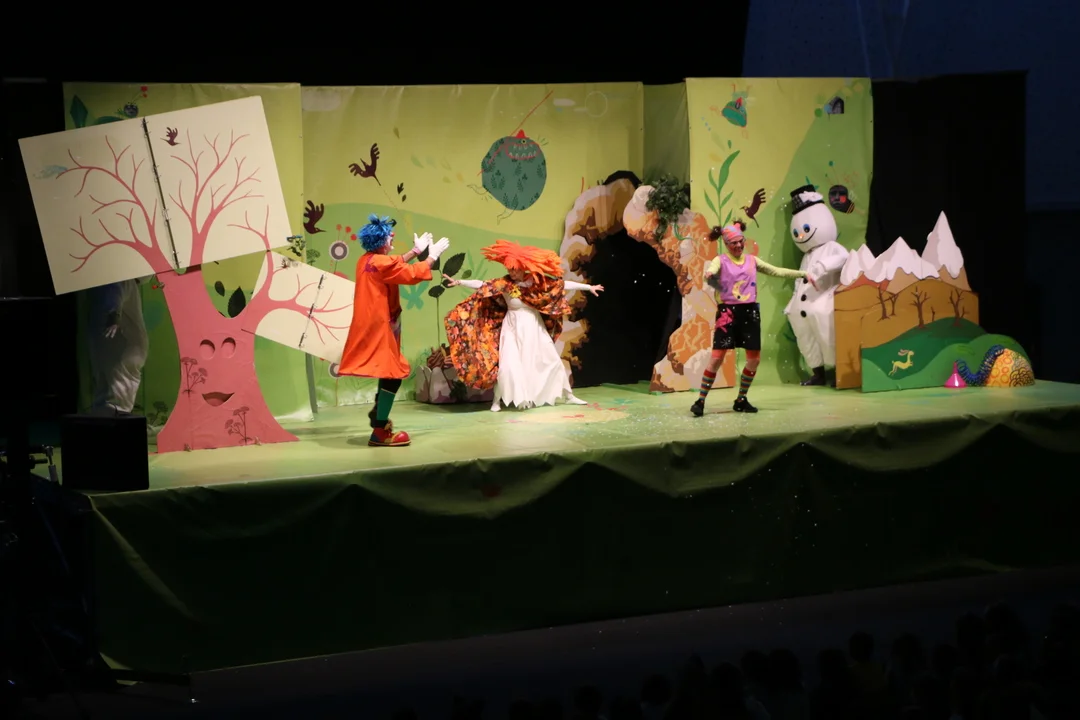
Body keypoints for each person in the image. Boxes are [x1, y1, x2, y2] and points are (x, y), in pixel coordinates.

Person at [444, 239, 603, 412]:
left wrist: (588, 287)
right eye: (509, 269)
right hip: (512, 327)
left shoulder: (536, 283)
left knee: (550, 359)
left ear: (523, 267)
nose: (511, 272)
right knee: (508, 364)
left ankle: (569, 396)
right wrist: (460, 282)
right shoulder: (504, 283)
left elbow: (561, 285)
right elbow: (482, 284)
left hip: (534, 326)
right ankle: (497, 401)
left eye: (514, 269)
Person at [338, 214, 450, 447]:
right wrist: (431, 257)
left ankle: (379, 415)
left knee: (388, 370)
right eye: (389, 238)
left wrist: (414, 252)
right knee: (393, 374)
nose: (392, 240)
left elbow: (393, 264)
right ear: (381, 242)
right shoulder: (380, 263)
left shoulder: (366, 260)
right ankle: (380, 430)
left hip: (376, 324)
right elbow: (409, 273)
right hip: (379, 327)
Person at [692, 221, 806, 417]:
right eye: (733, 243)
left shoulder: (752, 260)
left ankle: (741, 399)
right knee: (717, 358)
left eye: (740, 241)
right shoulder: (721, 260)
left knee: (754, 360)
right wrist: (712, 277)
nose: (738, 246)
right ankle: (700, 401)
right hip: (728, 314)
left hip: (750, 313)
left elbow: (776, 271)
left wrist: (803, 274)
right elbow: (710, 273)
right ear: (726, 244)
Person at [85, 278, 148, 415]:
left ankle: (112, 418)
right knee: (120, 389)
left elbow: (115, 291)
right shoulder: (129, 282)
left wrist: (114, 314)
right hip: (125, 344)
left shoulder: (120, 278)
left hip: (119, 343)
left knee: (114, 392)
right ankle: (114, 417)